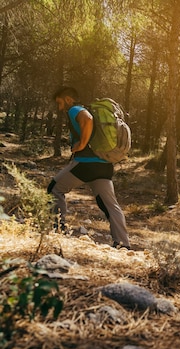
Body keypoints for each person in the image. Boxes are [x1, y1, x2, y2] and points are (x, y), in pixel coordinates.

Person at [48, 86, 131, 249]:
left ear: (68, 99)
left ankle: (57, 229)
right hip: (104, 165)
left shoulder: (75, 109)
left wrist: (82, 144)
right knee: (110, 205)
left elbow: (87, 119)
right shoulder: (86, 110)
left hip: (86, 164)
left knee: (54, 189)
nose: (59, 108)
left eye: (60, 103)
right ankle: (123, 244)